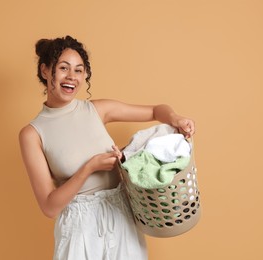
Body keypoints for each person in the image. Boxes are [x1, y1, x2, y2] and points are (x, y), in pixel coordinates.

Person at [19, 35, 195, 260]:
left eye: (79, 70)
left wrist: (175, 118)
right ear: (45, 71)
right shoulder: (32, 133)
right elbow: (49, 207)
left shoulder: (97, 110)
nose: (71, 77)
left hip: (120, 213)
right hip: (79, 226)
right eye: (63, 68)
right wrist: (89, 167)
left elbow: (155, 111)